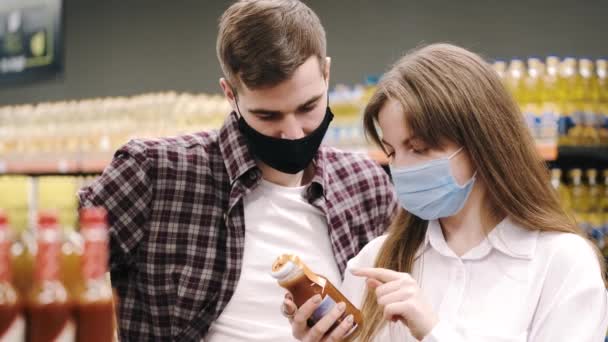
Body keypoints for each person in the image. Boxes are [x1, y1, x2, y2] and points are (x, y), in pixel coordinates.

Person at [78, 1, 397, 341]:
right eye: (268, 116)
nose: (293, 133)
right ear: (230, 94)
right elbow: (49, 272)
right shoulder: (153, 174)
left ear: (327, 74)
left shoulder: (368, 186)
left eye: (308, 107)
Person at [283, 43, 608, 342]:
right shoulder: (375, 261)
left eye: (420, 149)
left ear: (482, 144)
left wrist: (433, 331)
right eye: (392, 152)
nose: (403, 169)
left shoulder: (561, 262)